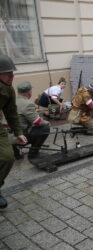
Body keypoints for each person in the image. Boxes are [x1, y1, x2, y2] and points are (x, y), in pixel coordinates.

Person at [0, 55, 27, 209]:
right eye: (8, 72)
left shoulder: (8, 90)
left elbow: (11, 112)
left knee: (7, 157)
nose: (12, 76)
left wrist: (18, 132)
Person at [14, 82, 50, 161]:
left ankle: (15, 152)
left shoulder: (12, 100)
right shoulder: (27, 104)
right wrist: (47, 122)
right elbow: (38, 122)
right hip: (19, 136)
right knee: (45, 128)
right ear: (29, 92)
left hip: (8, 134)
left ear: (18, 91)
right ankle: (33, 154)